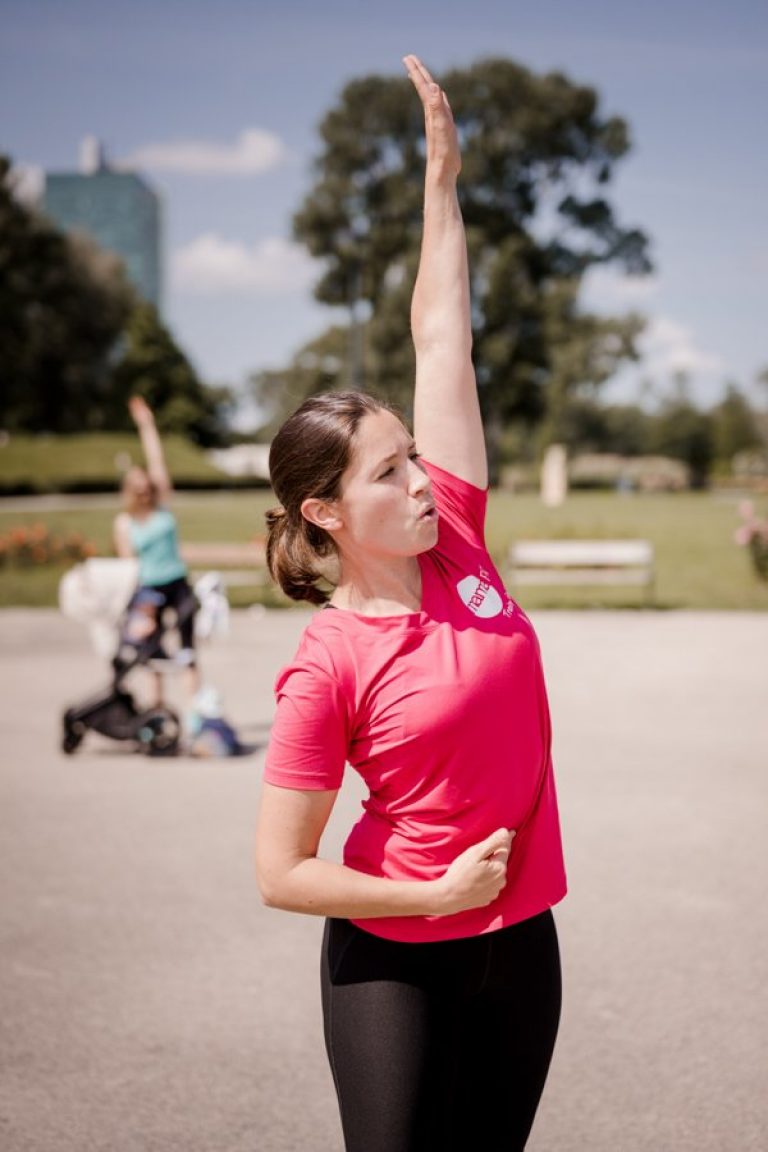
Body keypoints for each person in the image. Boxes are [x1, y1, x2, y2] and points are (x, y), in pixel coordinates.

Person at [255, 55, 566, 1152]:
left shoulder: (463, 543)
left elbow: (444, 338)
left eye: (416, 460)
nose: (423, 480)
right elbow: (280, 873)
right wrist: (432, 901)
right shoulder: (328, 660)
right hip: (393, 956)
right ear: (327, 512)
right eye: (390, 474)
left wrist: (443, 183)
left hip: (523, 938)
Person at [113, 395, 202, 711]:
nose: (144, 491)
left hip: (177, 582)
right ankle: (158, 707)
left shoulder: (162, 504)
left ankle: (195, 709)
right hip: (149, 590)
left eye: (147, 485)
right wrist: (139, 609)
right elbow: (129, 567)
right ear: (130, 492)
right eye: (138, 488)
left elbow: (156, 460)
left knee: (188, 648)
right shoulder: (124, 523)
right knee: (151, 650)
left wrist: (146, 424)